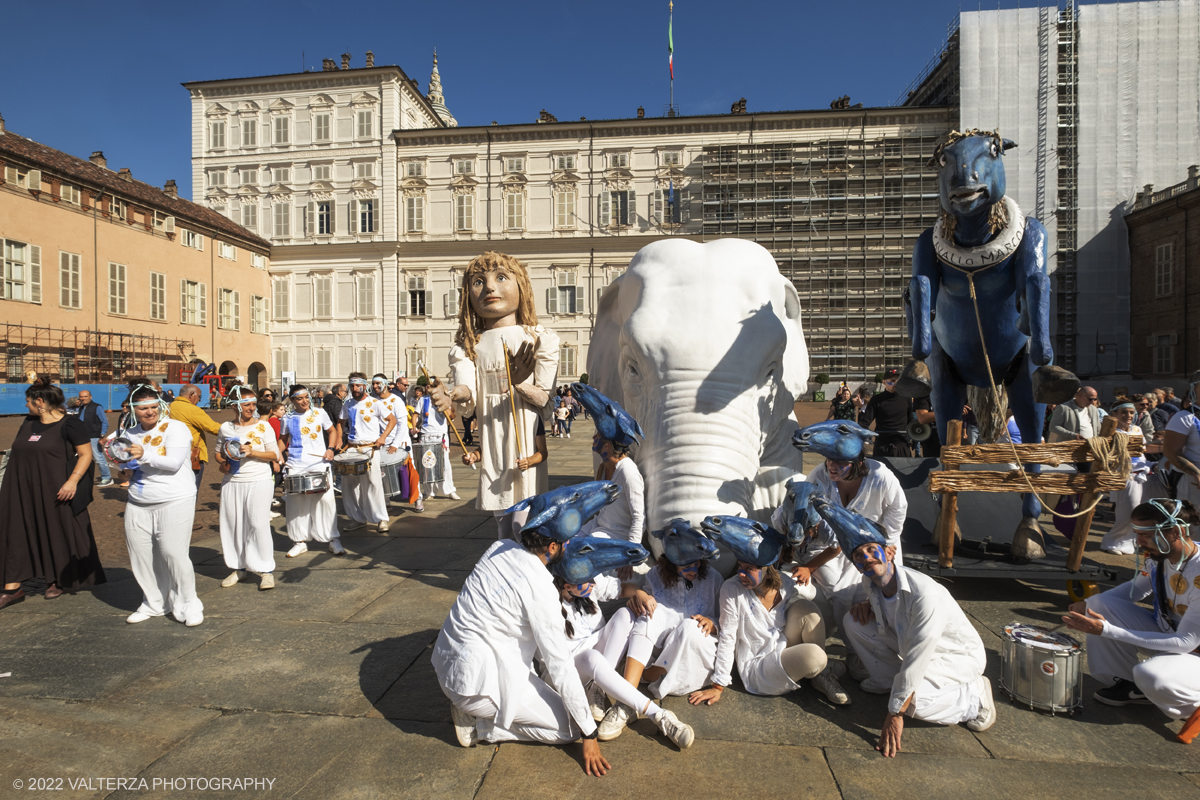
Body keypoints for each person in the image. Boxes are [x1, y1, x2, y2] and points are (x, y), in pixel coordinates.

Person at [432, 523, 611, 775]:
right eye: (565, 542)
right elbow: (560, 667)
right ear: (551, 547)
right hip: (476, 687)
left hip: (447, 665)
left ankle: (473, 710)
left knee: (561, 706)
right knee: (572, 728)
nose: (568, 545)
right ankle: (479, 726)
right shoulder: (542, 590)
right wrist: (589, 734)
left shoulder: (499, 547)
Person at [429, 252, 560, 540]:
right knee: (502, 520)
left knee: (524, 522)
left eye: (501, 278)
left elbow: (542, 401)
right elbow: (469, 393)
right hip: (493, 438)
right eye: (478, 281)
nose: (489, 287)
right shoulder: (468, 347)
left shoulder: (540, 338)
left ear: (521, 286)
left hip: (525, 435)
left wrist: (519, 382)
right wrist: (451, 394)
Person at [840, 512, 995, 757]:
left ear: (890, 552)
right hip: (908, 645)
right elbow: (890, 611)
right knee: (853, 621)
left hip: (953, 657)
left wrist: (895, 713)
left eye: (871, 549)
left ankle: (974, 697)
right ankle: (886, 682)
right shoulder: (869, 582)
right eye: (859, 555)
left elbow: (918, 656)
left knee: (914, 703)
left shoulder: (924, 594)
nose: (867, 559)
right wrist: (868, 606)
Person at [775, 420, 908, 681]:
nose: (832, 467)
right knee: (843, 597)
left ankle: (891, 650)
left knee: (885, 599)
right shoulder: (819, 476)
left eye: (840, 463)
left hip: (879, 547)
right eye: (829, 461)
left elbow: (897, 508)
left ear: (857, 463)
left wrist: (888, 542)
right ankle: (853, 651)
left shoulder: (880, 476)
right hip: (839, 548)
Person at [1064, 499, 1200, 722]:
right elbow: (1136, 589)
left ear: (1175, 532)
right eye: (1137, 533)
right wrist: (1089, 604)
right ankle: (1133, 686)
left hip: (1193, 649)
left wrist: (1106, 630)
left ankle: (1190, 702)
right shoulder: (1160, 556)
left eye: (1146, 534)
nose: (1139, 541)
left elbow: (1186, 642)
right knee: (1097, 604)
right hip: (1170, 634)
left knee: (1151, 676)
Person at [688, 521, 848, 709]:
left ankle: (820, 676)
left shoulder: (785, 585)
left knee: (807, 609)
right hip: (759, 667)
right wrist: (718, 685)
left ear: (767, 569)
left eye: (749, 569)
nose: (741, 573)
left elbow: (804, 619)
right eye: (740, 566)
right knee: (816, 657)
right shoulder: (731, 589)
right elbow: (728, 636)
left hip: (780, 645)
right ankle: (821, 667)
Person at [554, 539, 696, 749]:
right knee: (593, 658)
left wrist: (641, 594)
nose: (593, 584)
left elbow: (621, 588)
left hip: (597, 655)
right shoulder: (548, 604)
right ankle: (660, 715)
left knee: (625, 613)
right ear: (567, 586)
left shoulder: (586, 582)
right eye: (588, 582)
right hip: (572, 665)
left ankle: (598, 689)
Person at [595, 521, 722, 740]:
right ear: (672, 564)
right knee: (647, 613)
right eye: (686, 566)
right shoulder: (655, 576)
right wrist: (638, 599)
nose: (694, 570)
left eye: (697, 564)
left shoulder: (713, 579)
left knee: (689, 627)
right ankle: (627, 702)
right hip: (661, 651)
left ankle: (639, 685)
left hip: (693, 658)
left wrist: (713, 623)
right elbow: (642, 608)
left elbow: (727, 622)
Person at [0, 378, 106, 608]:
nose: (25, 406)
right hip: (20, 488)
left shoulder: (71, 424)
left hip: (56, 488)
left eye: (28, 401)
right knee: (15, 531)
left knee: (56, 531)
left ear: (40, 402)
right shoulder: (29, 422)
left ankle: (58, 578)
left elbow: (86, 455)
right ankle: (13, 587)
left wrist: (72, 482)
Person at [111, 384, 202, 625]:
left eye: (154, 407)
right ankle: (154, 603)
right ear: (133, 409)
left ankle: (188, 604)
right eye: (143, 408)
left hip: (175, 497)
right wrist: (122, 469)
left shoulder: (176, 428)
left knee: (173, 553)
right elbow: (127, 469)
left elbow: (173, 463)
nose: (150, 412)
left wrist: (143, 454)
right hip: (139, 501)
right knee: (142, 556)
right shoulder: (129, 434)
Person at [213, 386, 281, 590]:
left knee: (258, 523)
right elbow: (218, 452)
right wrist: (222, 464)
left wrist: (253, 453)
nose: (252, 408)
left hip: (259, 480)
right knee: (233, 524)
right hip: (233, 482)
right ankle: (238, 567)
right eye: (247, 404)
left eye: (253, 404)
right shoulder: (226, 427)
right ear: (235, 406)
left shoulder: (263, 427)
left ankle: (266, 570)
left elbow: (274, 455)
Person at [280, 384, 344, 558]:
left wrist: (330, 448)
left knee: (326, 501)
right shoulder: (287, 417)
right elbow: (283, 439)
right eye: (299, 399)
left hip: (318, 463)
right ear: (293, 400)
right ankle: (299, 541)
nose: (304, 402)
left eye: (306, 397)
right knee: (296, 503)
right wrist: (278, 455)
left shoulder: (319, 413)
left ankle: (333, 539)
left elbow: (331, 431)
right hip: (296, 464)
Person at [339, 372, 397, 532]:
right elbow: (340, 422)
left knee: (373, 483)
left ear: (365, 385)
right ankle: (358, 518)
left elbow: (392, 420)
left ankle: (381, 519)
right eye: (352, 386)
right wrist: (339, 439)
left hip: (370, 448)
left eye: (358, 386)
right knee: (349, 485)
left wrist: (383, 437)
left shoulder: (375, 403)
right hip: (351, 448)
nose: (355, 388)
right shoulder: (348, 404)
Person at [1100, 401, 1152, 555]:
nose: (1128, 416)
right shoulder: (1111, 432)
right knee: (1129, 509)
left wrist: (1163, 446)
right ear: (1114, 414)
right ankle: (1111, 541)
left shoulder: (1137, 429)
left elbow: (1142, 449)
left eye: (1131, 412)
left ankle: (1126, 542)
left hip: (1141, 474)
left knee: (1138, 510)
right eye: (1123, 412)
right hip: (1123, 474)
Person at [370, 374, 419, 513]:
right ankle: (386, 502)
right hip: (383, 443)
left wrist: (396, 443)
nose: (375, 386)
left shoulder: (396, 400)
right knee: (382, 472)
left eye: (378, 383)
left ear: (385, 384)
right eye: (373, 384)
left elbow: (403, 424)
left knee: (409, 471)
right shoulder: (373, 401)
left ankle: (418, 498)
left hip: (400, 441)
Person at [169, 384, 222, 492]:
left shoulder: (168, 407)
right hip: (192, 455)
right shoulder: (192, 409)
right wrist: (235, 430)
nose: (199, 400)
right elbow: (213, 428)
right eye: (199, 397)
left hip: (170, 454)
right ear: (191, 395)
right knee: (191, 490)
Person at [414, 380, 460, 501]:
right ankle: (429, 492)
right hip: (425, 434)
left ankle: (449, 490)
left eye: (433, 386)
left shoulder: (444, 398)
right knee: (427, 464)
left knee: (445, 464)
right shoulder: (423, 400)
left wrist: (447, 409)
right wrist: (414, 427)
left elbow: (452, 416)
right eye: (428, 386)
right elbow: (415, 415)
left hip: (440, 435)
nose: (430, 388)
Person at [1164, 371, 1200, 513]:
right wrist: (1196, 473)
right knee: (1193, 529)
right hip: (1191, 482)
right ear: (1194, 388)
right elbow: (1171, 451)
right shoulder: (1184, 416)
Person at [860, 368, 913, 456]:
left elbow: (911, 421)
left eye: (898, 380)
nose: (895, 383)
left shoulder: (907, 398)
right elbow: (865, 422)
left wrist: (913, 438)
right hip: (882, 446)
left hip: (902, 445)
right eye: (892, 381)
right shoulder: (876, 400)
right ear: (884, 382)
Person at [76, 390, 113, 487]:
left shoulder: (97, 407)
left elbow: (105, 422)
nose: (83, 398)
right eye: (81, 397)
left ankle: (107, 478)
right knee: (82, 458)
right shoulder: (80, 408)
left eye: (85, 396)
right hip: (82, 437)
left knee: (99, 458)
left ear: (90, 397)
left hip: (94, 437)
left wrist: (102, 435)